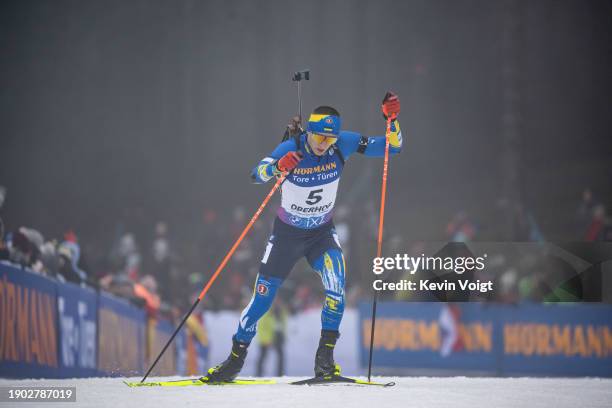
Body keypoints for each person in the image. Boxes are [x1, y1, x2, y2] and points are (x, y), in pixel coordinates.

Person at [204, 92, 402, 381]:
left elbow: (391, 149)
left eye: (331, 140)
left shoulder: (341, 143)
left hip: (321, 234)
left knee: (337, 289)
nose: (325, 145)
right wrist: (277, 166)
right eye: (320, 137)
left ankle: (324, 361)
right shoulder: (292, 146)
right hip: (287, 236)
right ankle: (234, 361)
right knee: (261, 302)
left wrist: (392, 121)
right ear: (309, 131)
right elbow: (255, 175)